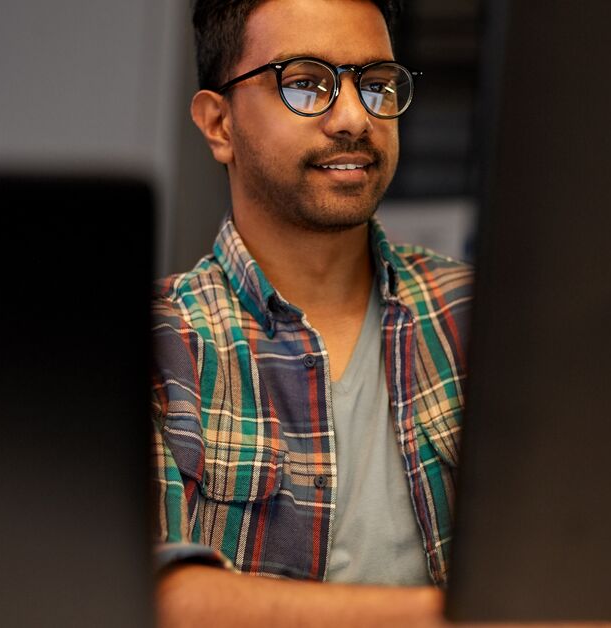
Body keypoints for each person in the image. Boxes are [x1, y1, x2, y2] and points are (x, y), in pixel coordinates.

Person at [149, 0, 472, 625]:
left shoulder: (478, 316)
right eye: (305, 84)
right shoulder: (163, 344)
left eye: (376, 84)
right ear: (218, 124)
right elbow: (165, 601)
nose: (354, 117)